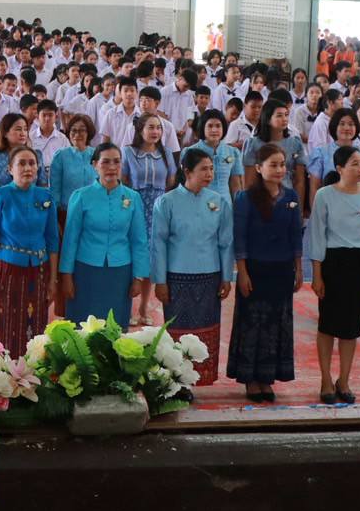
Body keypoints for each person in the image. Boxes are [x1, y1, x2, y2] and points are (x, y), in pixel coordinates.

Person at [309, 145, 360, 404]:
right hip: (334, 263)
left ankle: (343, 380)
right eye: (354, 163)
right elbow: (317, 235)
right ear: (339, 168)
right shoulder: (324, 195)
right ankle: (325, 379)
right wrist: (317, 274)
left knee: (351, 328)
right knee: (327, 325)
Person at [150, 147, 234, 387]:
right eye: (203, 169)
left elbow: (226, 242)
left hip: (209, 277)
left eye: (211, 169)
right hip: (176, 279)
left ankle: (202, 377)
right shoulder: (166, 202)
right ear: (187, 172)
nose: (209, 174)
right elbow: (158, 243)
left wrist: (226, 277)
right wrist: (160, 280)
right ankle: (175, 382)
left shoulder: (218, 201)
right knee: (177, 331)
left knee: (206, 329)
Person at [228, 143, 304, 402]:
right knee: (252, 324)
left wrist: (298, 268)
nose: (279, 169)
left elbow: (295, 235)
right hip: (255, 269)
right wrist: (242, 272)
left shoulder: (291, 196)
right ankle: (250, 379)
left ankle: (267, 378)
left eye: (282, 164)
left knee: (276, 323)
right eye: (273, 165)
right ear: (259, 168)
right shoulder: (245, 198)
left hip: (282, 270)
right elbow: (240, 238)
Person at [56, 142, 149, 323]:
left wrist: (139, 277)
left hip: (120, 273)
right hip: (85, 271)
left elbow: (139, 240)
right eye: (105, 162)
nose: (112, 167)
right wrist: (66, 276)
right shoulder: (81, 196)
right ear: (95, 165)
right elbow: (70, 240)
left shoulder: (133, 197)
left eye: (116, 161)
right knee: (82, 328)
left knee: (114, 328)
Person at [0, 145, 59, 350]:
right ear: (10, 169)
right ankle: (2, 367)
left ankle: (33, 367)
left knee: (36, 327)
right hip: (7, 271)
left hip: (39, 270)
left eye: (32, 163)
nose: (27, 168)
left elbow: (52, 241)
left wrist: (53, 279)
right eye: (21, 163)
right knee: (5, 327)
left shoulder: (46, 197)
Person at [122, 113, 176, 326]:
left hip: (158, 210)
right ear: (140, 130)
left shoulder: (167, 154)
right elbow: (124, 179)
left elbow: (170, 181)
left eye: (158, 128)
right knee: (132, 256)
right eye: (151, 127)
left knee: (151, 260)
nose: (155, 132)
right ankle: (127, 307)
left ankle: (144, 308)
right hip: (135, 208)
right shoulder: (129, 152)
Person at [48, 115, 98, 229]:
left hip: (94, 212)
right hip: (68, 213)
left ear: (89, 132)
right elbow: (54, 189)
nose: (77, 134)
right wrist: (56, 216)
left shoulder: (97, 155)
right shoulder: (61, 156)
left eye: (82, 130)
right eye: (73, 130)